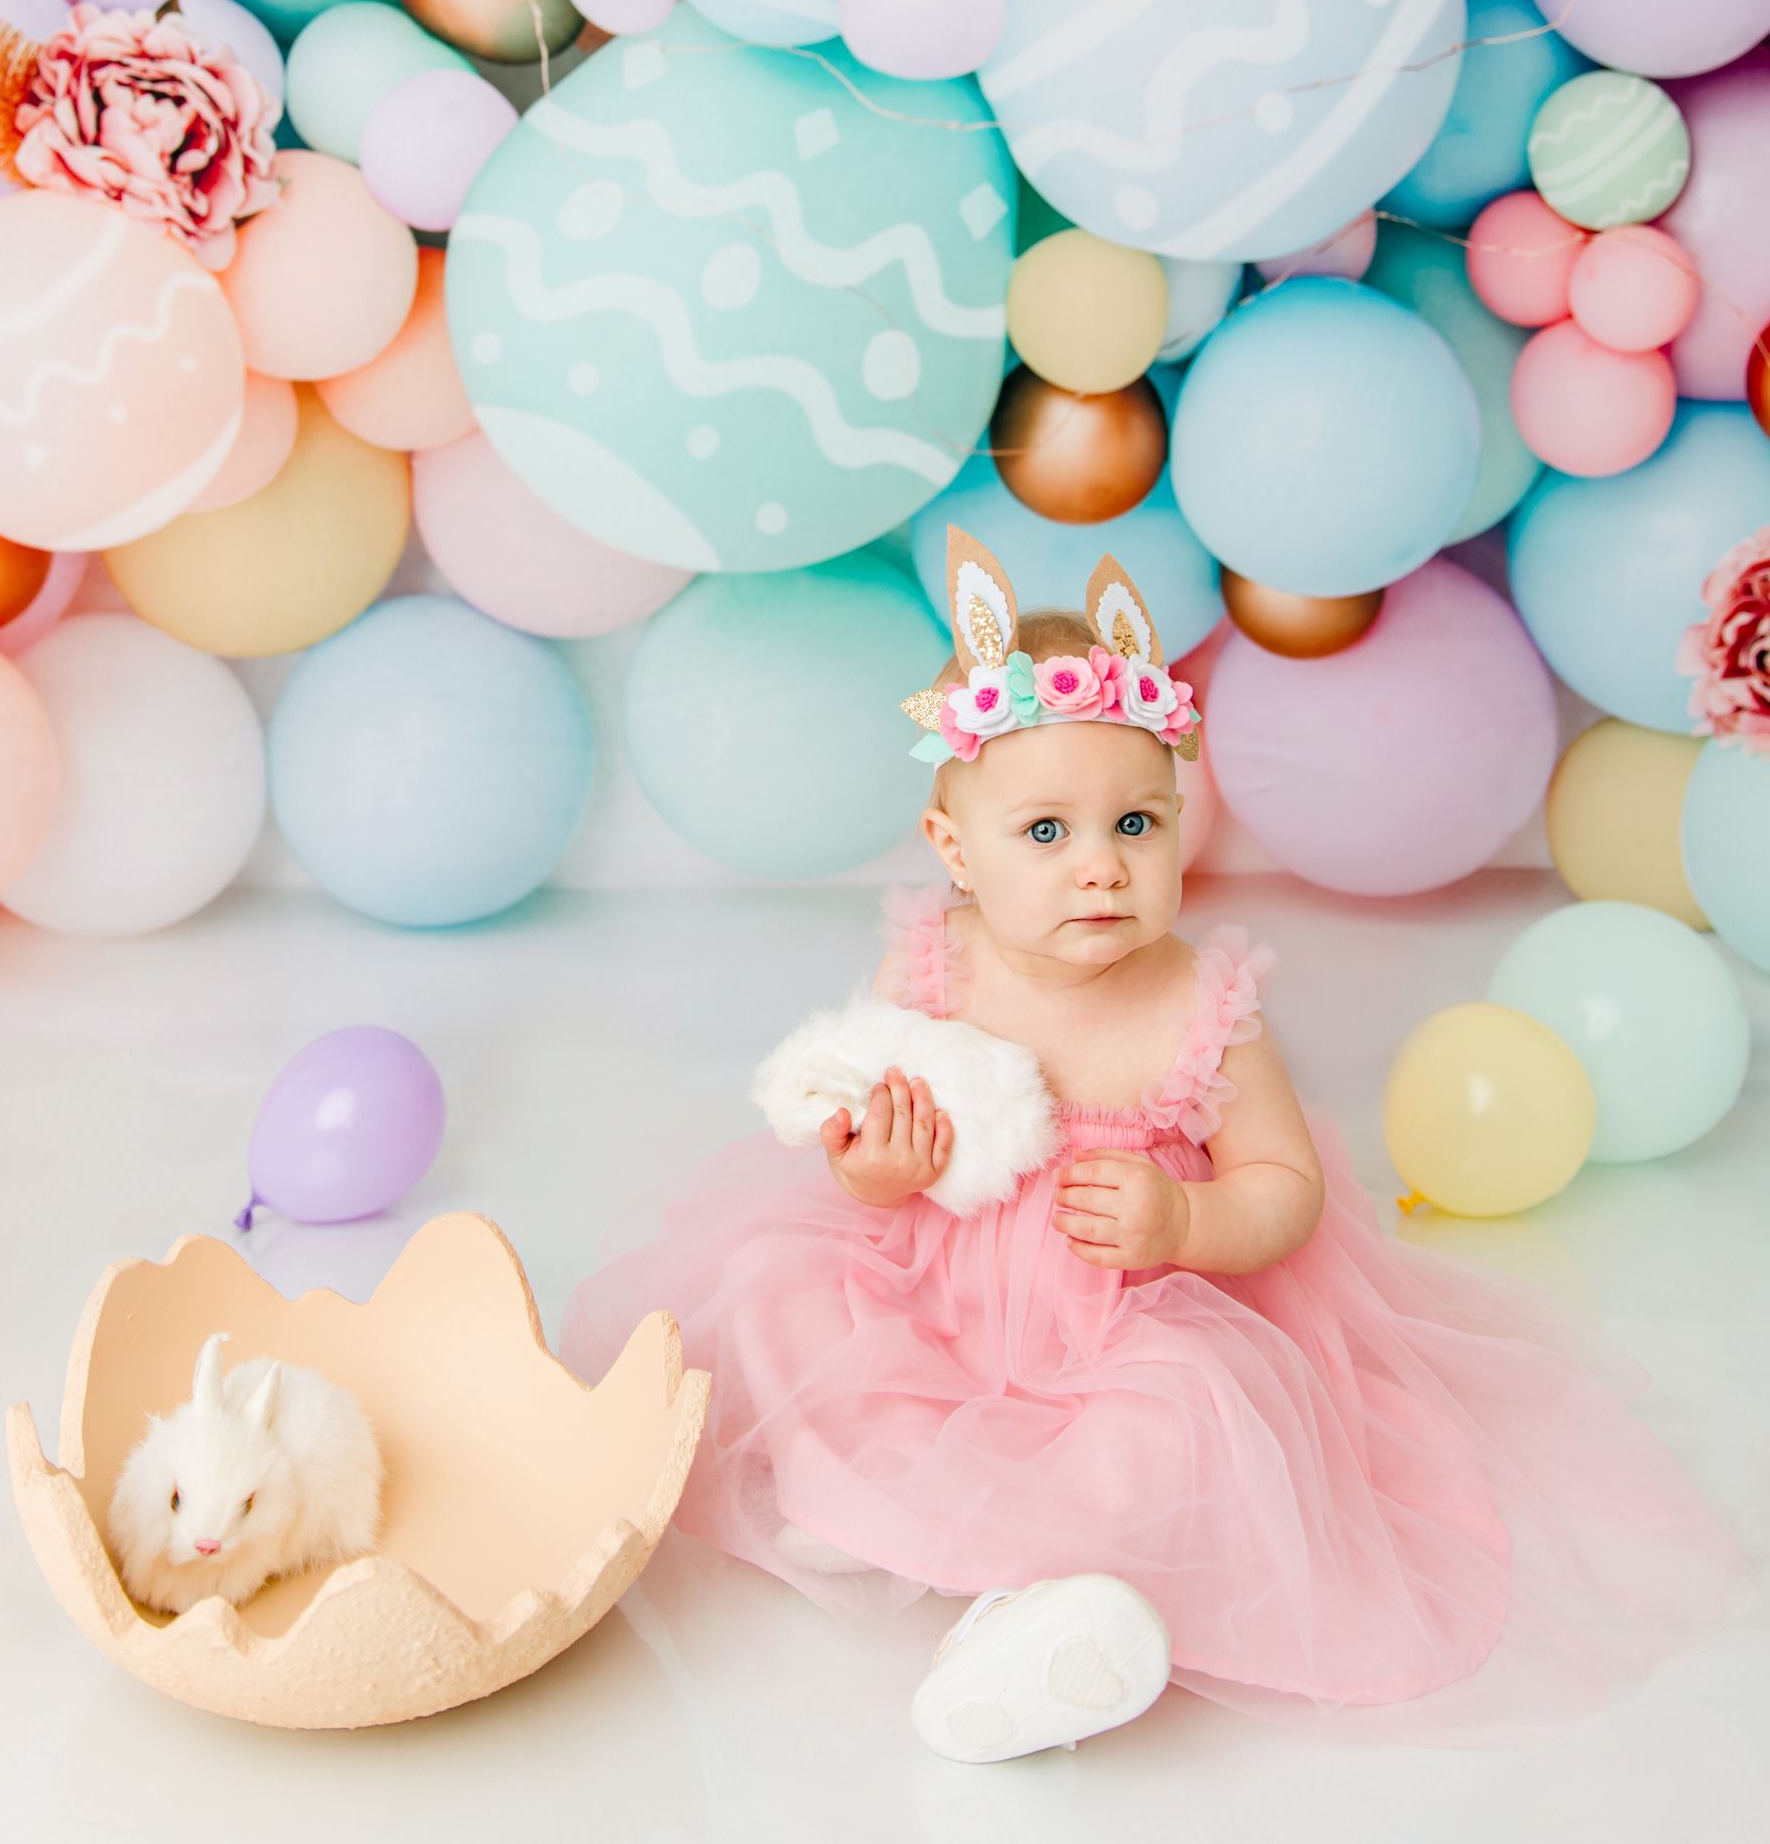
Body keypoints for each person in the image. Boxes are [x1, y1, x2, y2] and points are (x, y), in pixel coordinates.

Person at [557, 525, 1758, 1763]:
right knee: (781, 1309)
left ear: (1181, 821)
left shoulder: (1206, 1004)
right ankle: (882, 1506)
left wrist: (1185, 1222)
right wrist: (879, 1167)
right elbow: (860, 1149)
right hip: (935, 1285)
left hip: (1129, 1317)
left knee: (1180, 1421)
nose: (1100, 870)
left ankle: (1040, 1604)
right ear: (954, 848)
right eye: (1046, 834)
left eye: (1136, 824)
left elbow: (1282, 1188)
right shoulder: (931, 966)